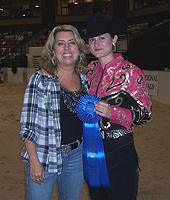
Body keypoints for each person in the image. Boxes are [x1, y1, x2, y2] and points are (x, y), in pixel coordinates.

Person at [83, 12, 152, 200]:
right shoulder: (89, 71)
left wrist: (112, 112)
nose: (96, 44)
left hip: (120, 152)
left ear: (114, 38)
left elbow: (145, 114)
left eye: (101, 38)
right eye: (92, 40)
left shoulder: (130, 72)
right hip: (91, 152)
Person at [19, 24, 89, 200]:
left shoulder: (85, 79)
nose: (66, 48)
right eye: (60, 43)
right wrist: (34, 162)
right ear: (52, 50)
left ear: (79, 48)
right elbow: (27, 126)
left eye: (71, 42)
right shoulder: (40, 79)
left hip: (76, 157)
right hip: (43, 156)